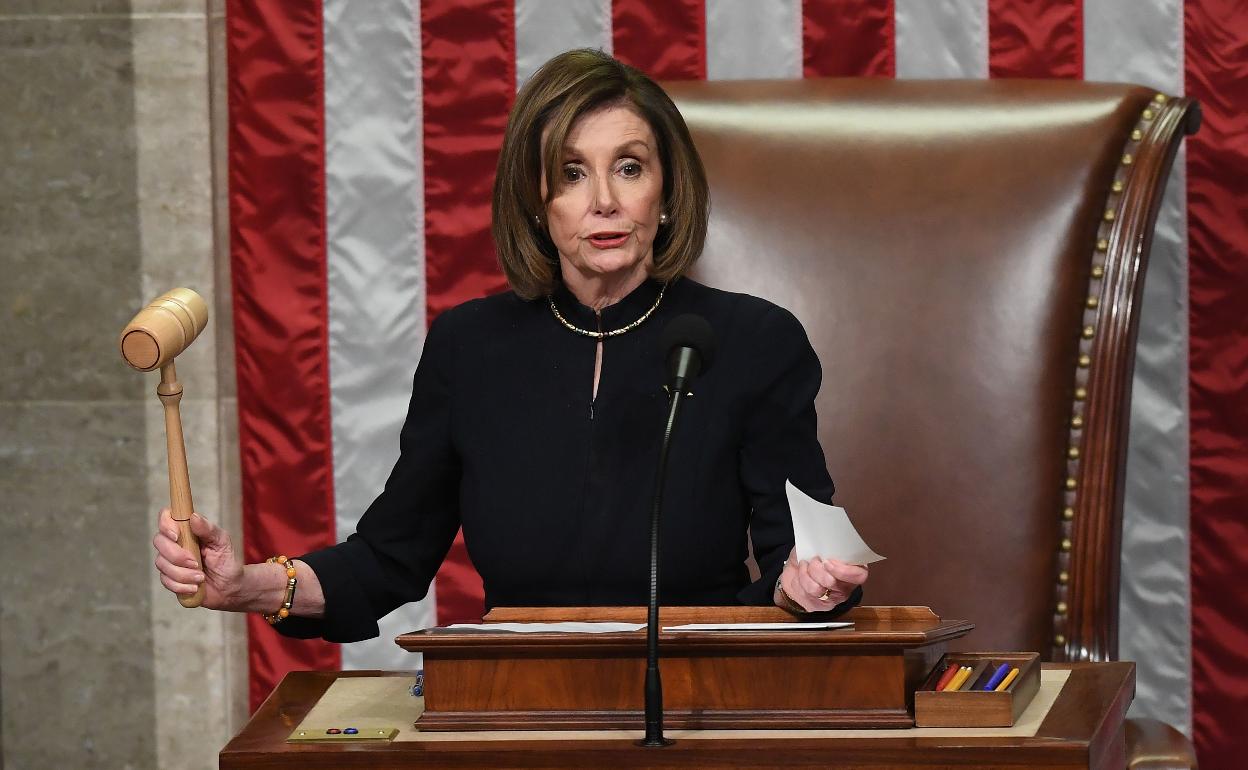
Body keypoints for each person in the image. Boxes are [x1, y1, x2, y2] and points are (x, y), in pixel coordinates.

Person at [153, 49, 868, 643]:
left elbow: (800, 549)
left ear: (667, 190)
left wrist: (808, 578)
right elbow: (387, 560)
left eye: (629, 167)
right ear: (535, 199)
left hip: (699, 691)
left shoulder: (754, 341)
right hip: (515, 696)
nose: (605, 203)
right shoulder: (471, 348)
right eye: (571, 173)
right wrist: (245, 585)